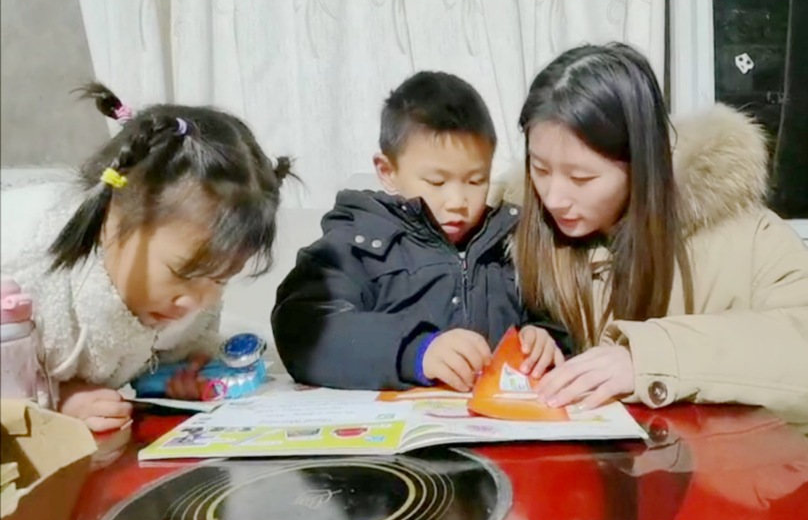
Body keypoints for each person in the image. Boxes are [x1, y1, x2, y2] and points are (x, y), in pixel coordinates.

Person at [505, 43, 808, 435]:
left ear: (642, 164)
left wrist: (652, 359)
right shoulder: (512, 231)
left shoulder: (736, 231)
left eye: (581, 178)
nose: (553, 197)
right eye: (540, 169)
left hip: (747, 468)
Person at [1, 83, 293, 432]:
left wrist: (177, 374)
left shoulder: (185, 291)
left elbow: (166, 351)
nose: (197, 301)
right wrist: (57, 401)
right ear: (113, 220)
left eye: (219, 278)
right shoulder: (30, 270)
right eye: (183, 273)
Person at [273, 71, 562, 392]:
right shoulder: (358, 241)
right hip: (392, 421)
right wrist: (416, 352)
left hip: (495, 418)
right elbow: (302, 329)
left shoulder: (511, 241)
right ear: (388, 171)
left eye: (476, 180)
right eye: (437, 182)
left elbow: (562, 322)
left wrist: (543, 338)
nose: (457, 202)